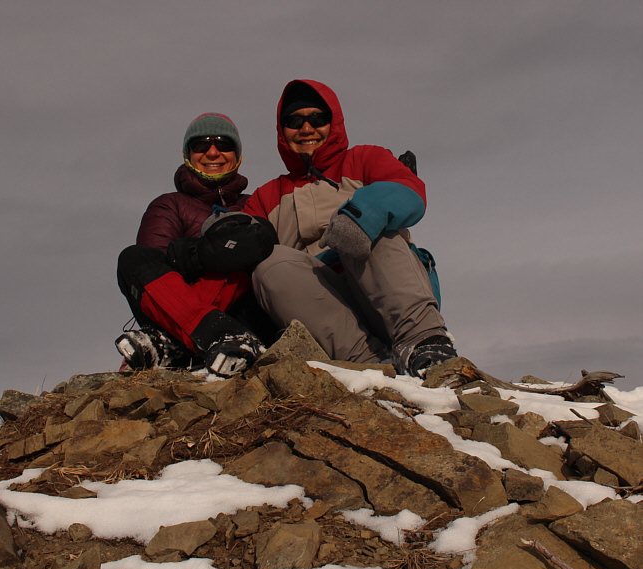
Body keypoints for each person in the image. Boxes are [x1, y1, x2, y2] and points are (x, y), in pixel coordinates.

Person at [243, 79, 458, 377]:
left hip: (388, 298)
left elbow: (409, 190)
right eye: (294, 121)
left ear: (334, 122)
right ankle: (371, 367)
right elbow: (239, 244)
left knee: (369, 227)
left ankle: (425, 344)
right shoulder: (266, 197)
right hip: (328, 315)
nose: (306, 129)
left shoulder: (364, 159)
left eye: (318, 118)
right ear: (282, 131)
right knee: (269, 264)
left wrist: (360, 216)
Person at [115, 113, 277, 377]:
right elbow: (154, 270)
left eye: (224, 145)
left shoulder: (256, 203)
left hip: (245, 311)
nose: (213, 152)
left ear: (238, 157)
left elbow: (264, 242)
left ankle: (171, 344)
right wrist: (220, 250)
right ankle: (216, 335)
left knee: (248, 250)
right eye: (201, 146)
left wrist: (194, 254)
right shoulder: (169, 205)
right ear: (187, 155)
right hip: (176, 310)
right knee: (132, 259)